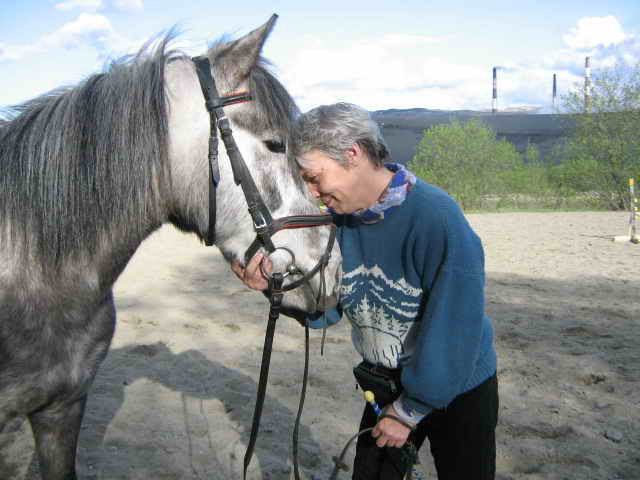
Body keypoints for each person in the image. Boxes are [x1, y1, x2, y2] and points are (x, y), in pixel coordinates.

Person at [232, 103, 499, 480]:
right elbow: (327, 309)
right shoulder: (339, 222)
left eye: (313, 177)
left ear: (352, 154)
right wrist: (272, 288)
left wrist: (410, 410)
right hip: (387, 384)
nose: (311, 193)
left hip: (459, 387)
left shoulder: (436, 218)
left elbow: (458, 328)